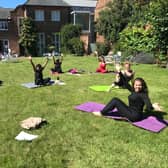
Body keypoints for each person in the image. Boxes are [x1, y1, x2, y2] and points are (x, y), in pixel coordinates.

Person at [93, 77, 162, 122]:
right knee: (116, 101)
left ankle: (101, 113)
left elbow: (148, 105)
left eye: (139, 85)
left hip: (135, 116)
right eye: (136, 85)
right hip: (131, 111)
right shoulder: (134, 90)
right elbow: (125, 83)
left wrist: (153, 106)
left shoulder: (143, 94)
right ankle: (106, 111)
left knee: (115, 100)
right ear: (134, 85)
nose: (138, 87)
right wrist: (119, 71)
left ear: (142, 86)